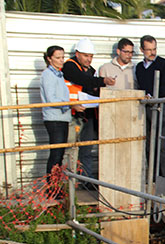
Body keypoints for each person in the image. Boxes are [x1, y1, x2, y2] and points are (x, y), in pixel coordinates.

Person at [62, 38, 115, 183]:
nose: (89, 59)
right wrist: (102, 81)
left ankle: (86, 179)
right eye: (86, 56)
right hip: (71, 114)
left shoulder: (91, 71)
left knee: (86, 148)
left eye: (91, 56)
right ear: (77, 54)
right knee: (70, 148)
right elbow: (82, 80)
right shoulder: (69, 66)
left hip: (88, 114)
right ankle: (68, 181)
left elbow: (91, 87)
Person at [40, 45, 85, 187]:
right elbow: (51, 99)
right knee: (56, 153)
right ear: (49, 59)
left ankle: (56, 185)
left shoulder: (58, 74)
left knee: (59, 153)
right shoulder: (48, 74)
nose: (61, 60)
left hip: (62, 117)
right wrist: (71, 105)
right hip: (54, 118)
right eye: (57, 58)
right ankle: (52, 187)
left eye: (62, 57)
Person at [135, 35, 165, 179]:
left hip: (160, 106)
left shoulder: (163, 64)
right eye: (148, 50)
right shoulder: (139, 67)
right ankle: (152, 178)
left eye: (154, 49)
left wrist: (154, 97)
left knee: (161, 144)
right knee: (149, 144)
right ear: (142, 50)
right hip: (147, 108)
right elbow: (141, 86)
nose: (152, 52)